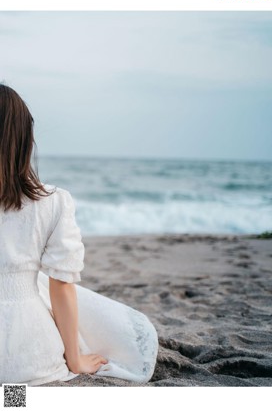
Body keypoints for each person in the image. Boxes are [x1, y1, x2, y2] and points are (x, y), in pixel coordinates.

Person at [0, 83, 159, 386]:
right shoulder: (53, 202)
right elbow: (62, 286)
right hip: (27, 354)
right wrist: (75, 358)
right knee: (17, 396)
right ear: (23, 141)